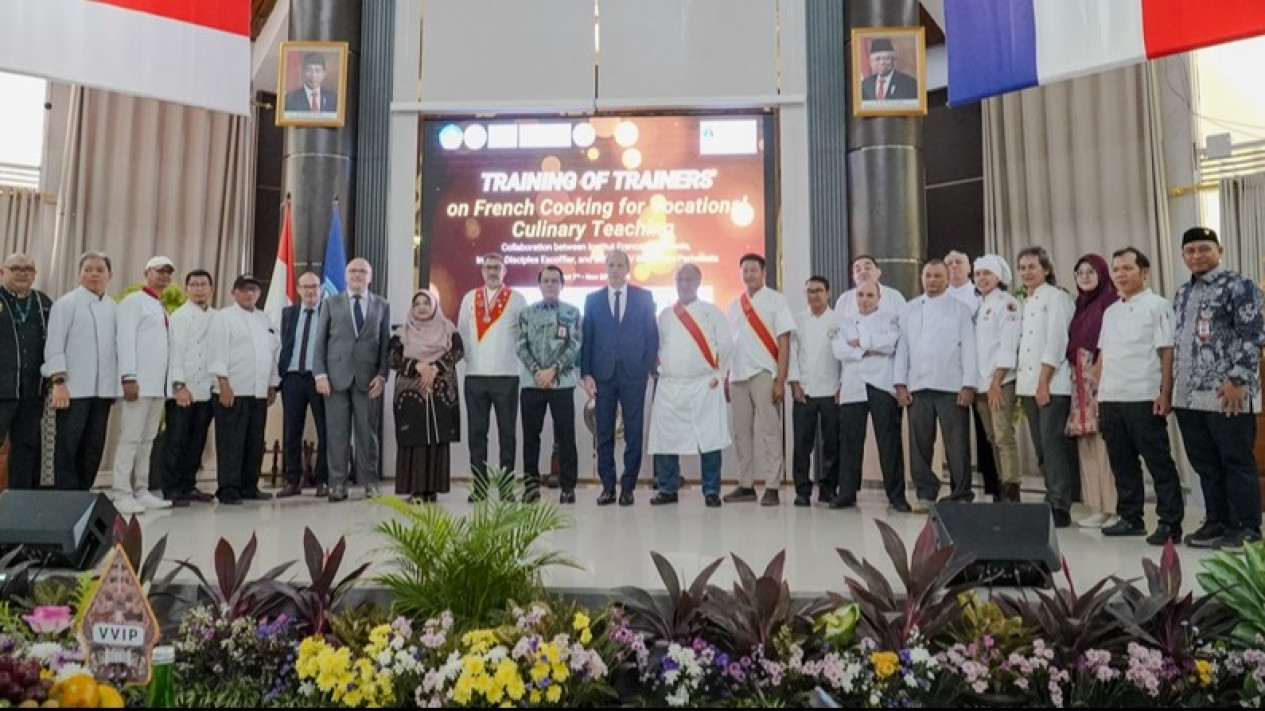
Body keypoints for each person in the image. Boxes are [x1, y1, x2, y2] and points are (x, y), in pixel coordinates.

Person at [1172, 227, 1265, 551]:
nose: (1196, 256)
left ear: (1219, 249)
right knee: (1206, 464)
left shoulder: (1240, 285)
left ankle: (1247, 527)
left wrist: (1238, 379)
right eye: (1190, 251)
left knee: (1236, 461)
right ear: (1183, 256)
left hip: (1227, 394)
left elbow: (1253, 335)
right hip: (1188, 397)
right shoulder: (1182, 293)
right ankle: (1217, 522)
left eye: (1203, 249)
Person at [1097, 247, 1184, 545]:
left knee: (1158, 462)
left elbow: (1167, 351)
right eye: (1116, 269)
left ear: (1144, 272)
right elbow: (1104, 355)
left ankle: (1170, 523)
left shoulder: (1158, 306)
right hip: (1112, 398)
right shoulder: (1110, 311)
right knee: (1122, 463)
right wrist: (1100, 395)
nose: (1120, 274)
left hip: (1144, 395)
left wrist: (1165, 392)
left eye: (1127, 269)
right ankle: (1130, 517)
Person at [648, 264, 733, 507]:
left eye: (689, 280)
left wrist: (721, 373)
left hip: (705, 386)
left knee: (710, 439)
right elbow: (659, 347)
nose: (684, 284)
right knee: (666, 439)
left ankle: (711, 490)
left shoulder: (712, 312)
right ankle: (667, 487)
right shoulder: (665, 315)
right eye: (680, 280)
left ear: (698, 282)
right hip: (671, 387)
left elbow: (726, 345)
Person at [894, 259, 977, 509]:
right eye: (928, 276)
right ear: (922, 278)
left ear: (947, 278)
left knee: (956, 443)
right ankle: (925, 493)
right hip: (917, 386)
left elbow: (969, 349)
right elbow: (902, 349)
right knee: (919, 444)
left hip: (952, 386)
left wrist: (968, 385)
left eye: (938, 276)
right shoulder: (909, 309)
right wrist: (900, 384)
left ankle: (961, 493)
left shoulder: (960, 309)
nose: (932, 281)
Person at [581, 250, 658, 506]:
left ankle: (628, 487)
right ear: (605, 268)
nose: (615, 270)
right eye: (611, 265)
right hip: (602, 375)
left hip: (634, 375)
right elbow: (587, 339)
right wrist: (586, 373)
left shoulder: (643, 297)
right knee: (603, 433)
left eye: (619, 265)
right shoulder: (592, 300)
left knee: (633, 432)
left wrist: (646, 367)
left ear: (628, 268)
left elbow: (651, 336)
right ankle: (607, 487)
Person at [315, 258, 391, 502]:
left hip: (368, 381)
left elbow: (385, 346)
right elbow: (320, 342)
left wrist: (382, 375)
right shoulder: (330, 303)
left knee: (367, 434)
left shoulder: (382, 305)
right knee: (337, 434)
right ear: (346, 276)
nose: (358, 275)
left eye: (363, 271)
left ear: (370, 276)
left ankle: (369, 482)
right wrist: (320, 374)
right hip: (335, 380)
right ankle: (337, 483)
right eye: (353, 271)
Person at [43, 252, 119, 491]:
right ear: (79, 274)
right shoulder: (66, 304)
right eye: (88, 269)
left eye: (99, 270)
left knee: (94, 446)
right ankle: (65, 497)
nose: (94, 274)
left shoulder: (115, 308)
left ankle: (83, 493)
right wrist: (58, 381)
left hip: (103, 390)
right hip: (72, 390)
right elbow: (54, 345)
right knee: (68, 445)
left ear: (110, 275)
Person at [725, 253, 795, 506]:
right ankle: (746, 485)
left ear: (764, 273)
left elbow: (784, 342)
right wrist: (726, 376)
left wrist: (780, 379)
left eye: (754, 270)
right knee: (741, 433)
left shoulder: (776, 301)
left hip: (765, 373)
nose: (749, 275)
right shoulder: (733, 305)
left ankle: (773, 486)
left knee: (770, 431)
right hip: (737, 375)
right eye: (745, 270)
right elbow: (728, 345)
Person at [1015, 246, 1078, 528]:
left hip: (1052, 384)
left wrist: (1043, 382)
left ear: (1046, 269)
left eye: (1032, 267)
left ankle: (1061, 503)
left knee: (1053, 445)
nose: (1027, 272)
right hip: (1027, 385)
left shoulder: (1057, 298)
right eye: (1023, 268)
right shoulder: (1024, 303)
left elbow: (1056, 342)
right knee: (1041, 446)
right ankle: (1052, 495)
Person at [833, 281, 909, 512]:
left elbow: (891, 344)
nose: (864, 299)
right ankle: (846, 493)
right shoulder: (845, 322)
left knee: (889, 443)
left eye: (869, 295)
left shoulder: (889, 319)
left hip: (882, 384)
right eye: (860, 295)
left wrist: (861, 345)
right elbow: (838, 350)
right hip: (853, 386)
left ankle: (896, 496)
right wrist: (869, 350)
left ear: (878, 297)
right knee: (849, 443)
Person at [458, 253, 528, 500]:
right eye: (488, 267)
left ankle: (507, 488)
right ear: (482, 271)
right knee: (477, 434)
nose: (493, 271)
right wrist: (472, 359)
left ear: (505, 270)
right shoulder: (469, 298)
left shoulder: (517, 299)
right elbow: (463, 333)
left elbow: (524, 336)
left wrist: (513, 362)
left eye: (497, 267)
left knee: (507, 434)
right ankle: (479, 488)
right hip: (475, 376)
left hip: (506, 376)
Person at [111, 256, 176, 514]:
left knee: (148, 439)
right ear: (146, 272)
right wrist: (128, 376)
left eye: (168, 273)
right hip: (138, 383)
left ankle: (141, 489)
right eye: (159, 271)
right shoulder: (133, 302)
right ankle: (121, 493)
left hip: (157, 387)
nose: (164, 276)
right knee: (130, 438)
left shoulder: (160, 307)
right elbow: (124, 340)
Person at [207, 275, 279, 504]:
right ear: (234, 292)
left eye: (254, 290)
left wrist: (271, 384)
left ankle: (249, 486)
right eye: (244, 290)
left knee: (254, 441)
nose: (249, 294)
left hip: (258, 391)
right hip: (233, 390)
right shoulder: (223, 318)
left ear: (259, 294)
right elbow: (217, 351)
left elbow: (272, 354)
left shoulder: (265, 320)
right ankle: (228, 488)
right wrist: (223, 383)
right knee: (231, 441)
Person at [390, 289, 463, 503]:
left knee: (437, 438)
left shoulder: (447, 328)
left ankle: (432, 488)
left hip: (439, 390)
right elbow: (391, 358)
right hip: (411, 393)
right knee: (414, 438)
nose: (422, 307)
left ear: (434, 307)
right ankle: (415, 489)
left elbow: (458, 351)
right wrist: (418, 366)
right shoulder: (403, 331)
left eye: (426, 303)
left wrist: (435, 368)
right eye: (417, 304)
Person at [517, 266, 582, 504]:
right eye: (546, 280)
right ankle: (531, 486)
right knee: (531, 437)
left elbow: (574, 345)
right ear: (540, 284)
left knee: (566, 437)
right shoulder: (527, 313)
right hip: (532, 383)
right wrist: (537, 372)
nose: (551, 284)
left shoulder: (572, 312)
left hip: (562, 384)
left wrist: (553, 371)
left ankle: (568, 487)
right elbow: (521, 345)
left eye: (555, 281)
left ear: (562, 285)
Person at [1066, 254, 1119, 529]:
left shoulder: (1109, 302)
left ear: (1102, 274)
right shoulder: (1079, 306)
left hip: (1100, 379)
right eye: (1080, 273)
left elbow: (1108, 345)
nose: (1085, 277)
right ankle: (1096, 507)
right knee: (1086, 443)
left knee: (1104, 445)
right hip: (1078, 382)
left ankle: (1113, 508)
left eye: (1090, 272)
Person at [947, 249, 1000, 500]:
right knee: (956, 437)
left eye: (959, 262)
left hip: (982, 375)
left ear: (969, 269)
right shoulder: (939, 297)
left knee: (988, 433)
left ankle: (995, 486)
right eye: (949, 263)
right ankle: (959, 488)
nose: (953, 266)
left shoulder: (980, 296)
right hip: (951, 377)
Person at [162, 269, 217, 505]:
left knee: (197, 441)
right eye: (193, 285)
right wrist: (179, 386)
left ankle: (188, 485)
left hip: (207, 389)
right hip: (184, 389)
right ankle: (172, 488)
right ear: (186, 289)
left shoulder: (217, 317)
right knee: (177, 440)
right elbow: (174, 353)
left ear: (211, 289)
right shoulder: (179, 317)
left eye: (203, 284)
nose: (198, 289)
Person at [971, 255, 1023, 502]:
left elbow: (1007, 345)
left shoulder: (1008, 303)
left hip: (1000, 382)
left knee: (1003, 435)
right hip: (981, 383)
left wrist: (996, 382)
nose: (981, 278)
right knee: (992, 437)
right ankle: (1002, 486)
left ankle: (1012, 488)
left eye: (986, 274)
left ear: (998, 277)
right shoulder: (978, 305)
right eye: (978, 273)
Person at [0, 254, 51, 490]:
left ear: (35, 274)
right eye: (16, 268)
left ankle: (20, 504)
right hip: (2, 389)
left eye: (28, 269)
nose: (22, 273)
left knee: (26, 449)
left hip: (32, 391)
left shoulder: (43, 303)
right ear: (3, 272)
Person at [788, 276, 841, 506]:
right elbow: (791, 355)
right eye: (810, 291)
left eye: (819, 291)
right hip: (805, 391)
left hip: (832, 391)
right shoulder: (797, 321)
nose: (814, 295)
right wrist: (795, 384)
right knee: (802, 444)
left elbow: (844, 358)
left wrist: (842, 385)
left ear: (828, 293)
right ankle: (802, 490)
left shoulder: (839, 320)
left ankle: (828, 488)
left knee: (832, 444)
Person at [276, 272, 329, 499]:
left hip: (319, 378)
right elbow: (283, 344)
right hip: (292, 378)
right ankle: (292, 480)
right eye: (306, 287)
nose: (310, 291)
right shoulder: (288, 313)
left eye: (314, 287)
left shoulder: (329, 313)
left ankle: (323, 480)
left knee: (324, 430)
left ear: (321, 289)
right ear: (298, 290)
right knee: (291, 431)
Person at [836, 255, 906, 320]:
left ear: (879, 272)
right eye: (858, 270)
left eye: (867, 268)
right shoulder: (844, 299)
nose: (863, 272)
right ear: (853, 277)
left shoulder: (894, 296)